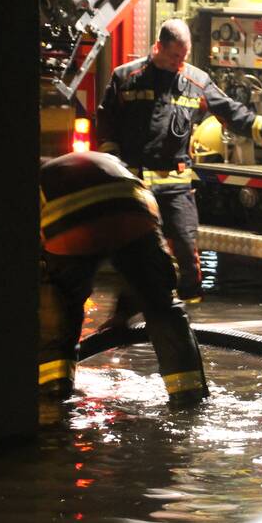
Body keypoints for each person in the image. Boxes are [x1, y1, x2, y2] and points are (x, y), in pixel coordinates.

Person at [95, 18, 262, 303]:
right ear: (157, 47)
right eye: (174, 56)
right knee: (143, 252)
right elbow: (106, 121)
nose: (179, 63)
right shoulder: (126, 77)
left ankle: (191, 316)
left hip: (176, 184)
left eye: (184, 57)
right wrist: (114, 163)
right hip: (135, 185)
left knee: (188, 251)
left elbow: (230, 111)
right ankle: (140, 313)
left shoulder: (194, 81)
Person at [38, 151, 208, 408]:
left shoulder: (39, 180)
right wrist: (123, 314)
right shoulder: (99, 162)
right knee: (161, 306)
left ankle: (53, 394)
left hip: (67, 219)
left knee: (59, 304)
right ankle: (189, 396)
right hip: (135, 209)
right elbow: (139, 264)